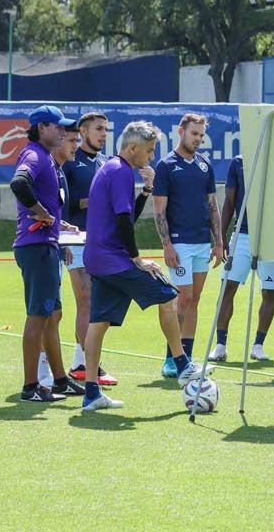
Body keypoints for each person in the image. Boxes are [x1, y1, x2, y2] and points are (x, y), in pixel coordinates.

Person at [81, 121, 211, 411]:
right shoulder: (120, 172)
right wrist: (136, 258)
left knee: (98, 322)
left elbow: (126, 212)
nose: (151, 157)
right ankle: (181, 364)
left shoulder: (116, 169)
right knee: (169, 295)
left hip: (99, 259)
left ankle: (91, 394)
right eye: (149, 151)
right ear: (133, 149)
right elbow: (123, 222)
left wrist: (146, 190)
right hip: (112, 258)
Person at [10, 105, 85, 402]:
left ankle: (59, 380)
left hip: (46, 246)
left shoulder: (46, 159)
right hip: (36, 248)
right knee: (38, 316)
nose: (64, 132)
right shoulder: (33, 154)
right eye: (58, 127)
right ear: (41, 128)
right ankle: (30, 387)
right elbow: (18, 183)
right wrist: (40, 211)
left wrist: (57, 221)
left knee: (52, 316)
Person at [153, 113, 224, 377]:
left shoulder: (205, 165)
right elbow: (159, 210)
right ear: (181, 131)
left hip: (202, 244)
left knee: (194, 300)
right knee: (181, 299)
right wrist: (167, 245)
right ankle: (172, 359)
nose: (198, 139)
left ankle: (188, 357)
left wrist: (219, 242)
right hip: (180, 244)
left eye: (201, 135)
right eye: (194, 134)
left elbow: (213, 206)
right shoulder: (166, 166)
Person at [61, 112, 118, 385]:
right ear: (83, 131)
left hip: (102, 242)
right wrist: (86, 204)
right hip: (76, 241)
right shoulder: (71, 163)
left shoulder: (107, 163)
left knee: (97, 303)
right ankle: (87, 365)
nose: (103, 134)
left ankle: (79, 363)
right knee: (86, 300)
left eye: (106, 129)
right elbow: (61, 204)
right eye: (98, 129)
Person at [208, 154, 274, 363]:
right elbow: (230, 201)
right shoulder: (239, 161)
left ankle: (258, 345)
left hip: (272, 237)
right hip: (243, 234)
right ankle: (220, 345)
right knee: (227, 288)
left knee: (269, 291)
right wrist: (220, 238)